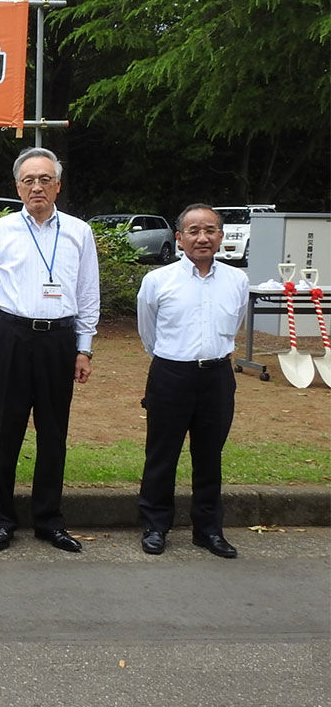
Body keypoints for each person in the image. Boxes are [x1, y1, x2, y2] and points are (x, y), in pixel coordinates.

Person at [0, 147, 99, 553]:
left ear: (58, 185)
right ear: (17, 187)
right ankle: (0, 520)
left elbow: (88, 293)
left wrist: (85, 348)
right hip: (10, 337)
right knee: (5, 432)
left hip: (59, 340)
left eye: (45, 179)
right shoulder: (0, 231)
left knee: (53, 433)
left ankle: (48, 519)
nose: (37, 186)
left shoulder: (79, 232)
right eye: (29, 180)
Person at [137, 204, 248, 558]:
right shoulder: (158, 281)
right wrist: (173, 360)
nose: (203, 238)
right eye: (194, 231)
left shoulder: (237, 280)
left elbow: (236, 325)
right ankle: (155, 526)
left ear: (221, 236)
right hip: (171, 373)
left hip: (217, 376)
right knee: (161, 454)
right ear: (179, 238)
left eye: (210, 230)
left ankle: (208, 530)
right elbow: (148, 333)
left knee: (209, 455)